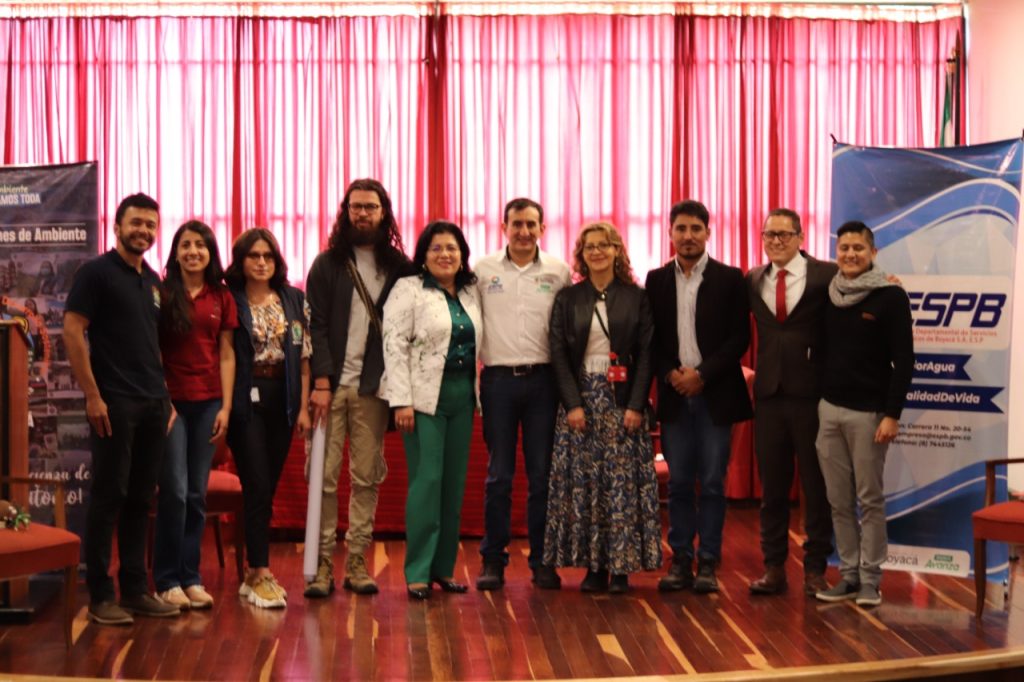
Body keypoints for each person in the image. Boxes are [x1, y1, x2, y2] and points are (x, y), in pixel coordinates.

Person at [63, 192, 180, 624]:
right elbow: (72, 331)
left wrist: (165, 396)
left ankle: (134, 591)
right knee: (109, 496)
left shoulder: (153, 282)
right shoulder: (95, 273)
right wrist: (92, 395)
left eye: (150, 225)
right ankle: (100, 597)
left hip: (153, 403)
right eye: (136, 223)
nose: (143, 231)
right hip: (113, 402)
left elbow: (152, 344)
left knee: (141, 498)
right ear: (116, 226)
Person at [304, 179, 412, 598]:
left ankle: (357, 562)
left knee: (366, 478)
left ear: (384, 212)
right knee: (323, 478)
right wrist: (321, 381)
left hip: (373, 390)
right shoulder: (327, 263)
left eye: (370, 207)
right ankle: (322, 564)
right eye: (356, 207)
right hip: (329, 389)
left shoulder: (399, 267)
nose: (362, 214)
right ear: (345, 211)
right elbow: (315, 325)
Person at [544, 221, 661, 593]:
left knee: (620, 486)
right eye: (589, 246)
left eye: (603, 245)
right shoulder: (567, 298)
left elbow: (647, 355)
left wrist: (636, 404)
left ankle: (620, 569)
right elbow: (558, 354)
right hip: (581, 402)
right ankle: (593, 568)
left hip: (622, 402)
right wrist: (572, 404)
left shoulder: (636, 297)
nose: (596, 252)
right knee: (586, 485)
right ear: (581, 254)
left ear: (616, 250)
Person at [645, 200, 752, 593]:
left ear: (708, 231)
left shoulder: (730, 278)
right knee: (678, 483)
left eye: (695, 229)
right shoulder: (656, 280)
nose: (688, 236)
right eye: (681, 229)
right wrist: (672, 374)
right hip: (675, 394)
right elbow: (651, 338)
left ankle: (707, 560)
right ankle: (680, 560)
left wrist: (702, 375)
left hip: (715, 395)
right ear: (670, 233)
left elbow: (739, 338)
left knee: (711, 482)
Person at [814, 221, 913, 607]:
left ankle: (871, 579)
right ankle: (849, 576)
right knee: (838, 501)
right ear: (836, 253)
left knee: (869, 499)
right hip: (829, 411)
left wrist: (892, 414)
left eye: (858, 248)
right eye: (844, 248)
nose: (850, 254)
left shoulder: (890, 295)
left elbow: (904, 360)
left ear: (873, 253)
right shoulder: (829, 293)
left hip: (870, 415)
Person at [475, 197, 571, 591]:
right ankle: (493, 560)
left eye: (532, 224)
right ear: (504, 227)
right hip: (497, 381)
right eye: (517, 224)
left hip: (543, 383)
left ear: (542, 229)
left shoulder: (558, 271)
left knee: (542, 477)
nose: (524, 232)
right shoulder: (482, 271)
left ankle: (543, 560)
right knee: (499, 475)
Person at [382, 221, 482, 600]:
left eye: (452, 248)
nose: (445, 254)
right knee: (427, 482)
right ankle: (418, 572)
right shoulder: (408, 289)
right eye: (436, 248)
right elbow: (393, 344)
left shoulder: (470, 291)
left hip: (463, 397)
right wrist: (401, 400)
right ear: (423, 255)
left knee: (453, 486)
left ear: (462, 255)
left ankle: (443, 569)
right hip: (423, 400)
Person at [746, 208, 835, 596]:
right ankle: (774, 568)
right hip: (769, 397)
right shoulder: (753, 279)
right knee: (773, 490)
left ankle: (815, 570)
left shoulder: (826, 275)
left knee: (816, 488)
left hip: (814, 396)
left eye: (785, 234)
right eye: (770, 235)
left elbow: (861, 290)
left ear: (801, 237)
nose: (777, 241)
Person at [225, 228, 312, 609]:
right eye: (254, 256)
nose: (261, 262)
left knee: (266, 486)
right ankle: (260, 570)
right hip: (245, 399)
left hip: (285, 399)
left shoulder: (293, 298)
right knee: (257, 482)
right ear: (241, 260)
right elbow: (224, 354)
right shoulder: (230, 299)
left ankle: (252, 571)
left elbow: (304, 357)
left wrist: (304, 407)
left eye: (268, 256)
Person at [153, 220, 237, 610]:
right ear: (176, 252)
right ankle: (166, 581)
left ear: (210, 253)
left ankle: (190, 578)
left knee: (195, 494)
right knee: (173, 491)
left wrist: (226, 407)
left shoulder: (222, 296)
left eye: (200, 245)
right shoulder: (161, 293)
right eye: (185, 245)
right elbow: (153, 350)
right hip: (171, 405)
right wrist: (162, 400)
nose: (193, 252)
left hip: (209, 404)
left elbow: (226, 353)